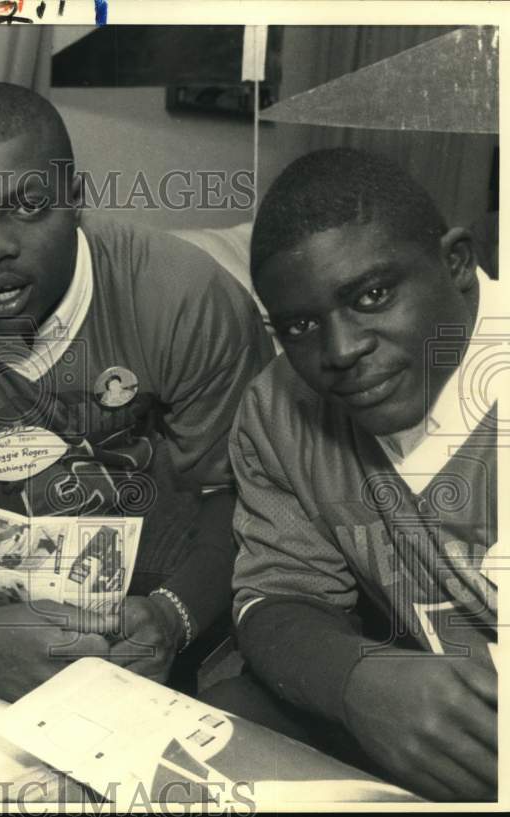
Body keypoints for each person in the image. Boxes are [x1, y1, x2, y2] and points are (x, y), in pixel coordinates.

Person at [0, 82, 272, 701]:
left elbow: (246, 498)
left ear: (75, 200)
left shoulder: (186, 298)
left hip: (170, 617)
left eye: (28, 207)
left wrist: (173, 616)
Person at [211, 148, 497, 801]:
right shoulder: (280, 408)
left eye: (372, 295)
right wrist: (355, 679)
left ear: (455, 264)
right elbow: (277, 598)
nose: (340, 350)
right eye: (302, 325)